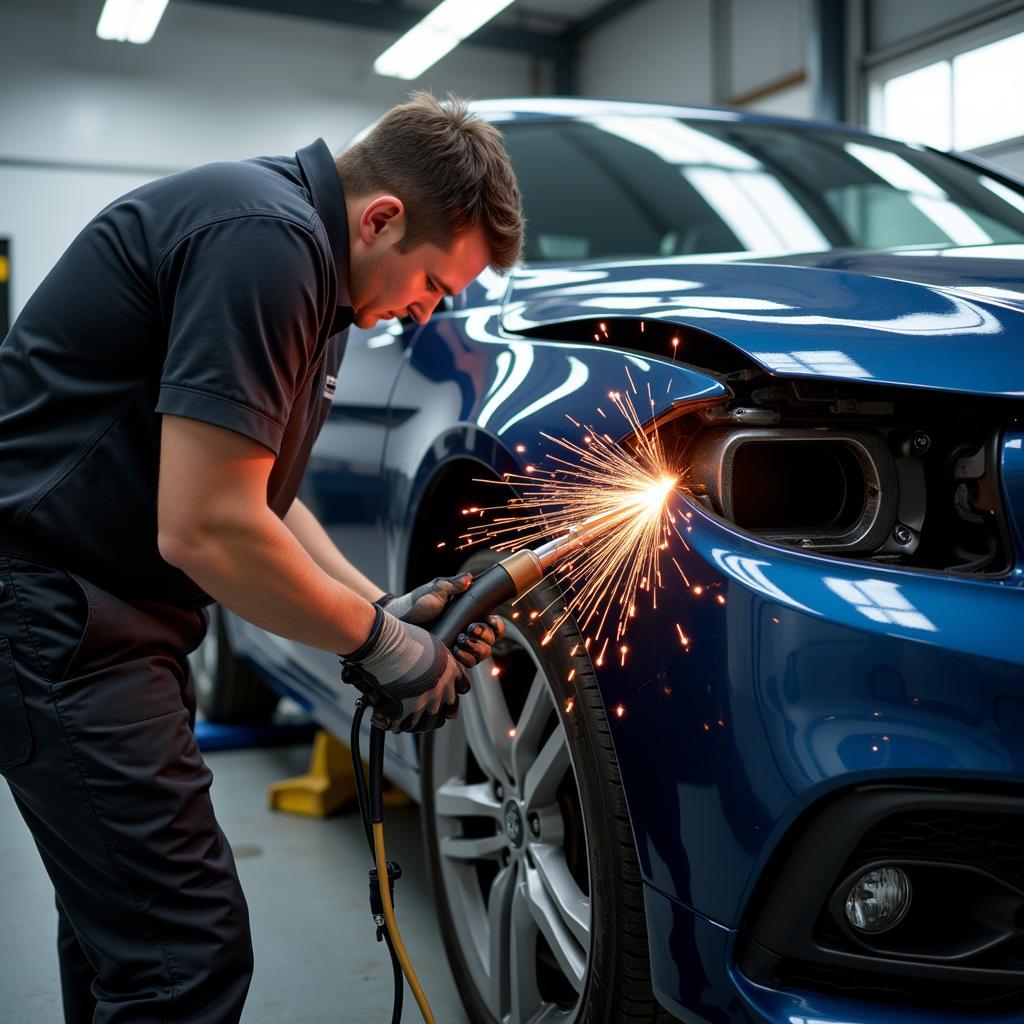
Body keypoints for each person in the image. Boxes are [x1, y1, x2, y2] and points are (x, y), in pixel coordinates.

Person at [0, 92, 524, 1022]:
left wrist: (384, 604)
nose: (420, 314)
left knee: (118, 939)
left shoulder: (309, 271)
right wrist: (382, 646)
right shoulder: (265, 242)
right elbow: (204, 527)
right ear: (382, 217)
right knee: (182, 952)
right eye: (435, 285)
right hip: (52, 611)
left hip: (98, 616)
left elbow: (265, 500)